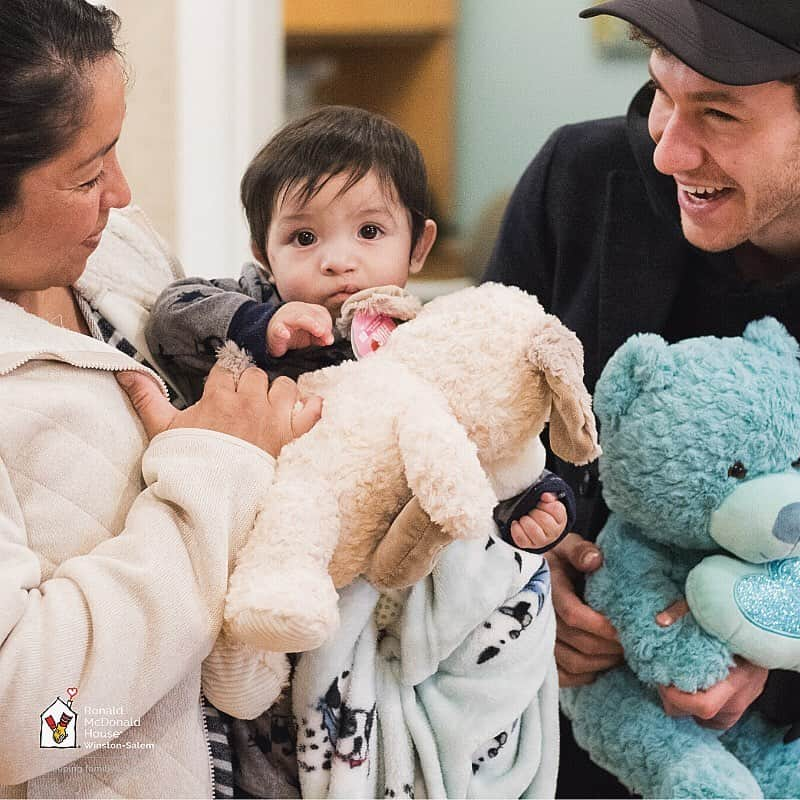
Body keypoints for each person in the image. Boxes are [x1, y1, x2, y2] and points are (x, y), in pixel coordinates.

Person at [0, 1, 322, 796]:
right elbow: (30, 722)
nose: (121, 192)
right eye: (85, 174)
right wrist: (215, 470)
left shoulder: (115, 249)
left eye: (113, 152)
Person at [483, 0, 800, 796]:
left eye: (719, 113)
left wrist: (778, 658)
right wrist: (509, 570)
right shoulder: (580, 181)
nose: (669, 151)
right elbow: (459, 427)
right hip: (547, 728)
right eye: (663, 91)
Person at [146, 104, 573, 553]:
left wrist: (528, 498)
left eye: (369, 231)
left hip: (379, 539)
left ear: (418, 246)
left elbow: (479, 427)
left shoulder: (425, 337)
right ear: (264, 254)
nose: (338, 261)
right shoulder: (258, 302)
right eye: (304, 238)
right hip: (271, 523)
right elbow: (170, 316)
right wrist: (262, 325)